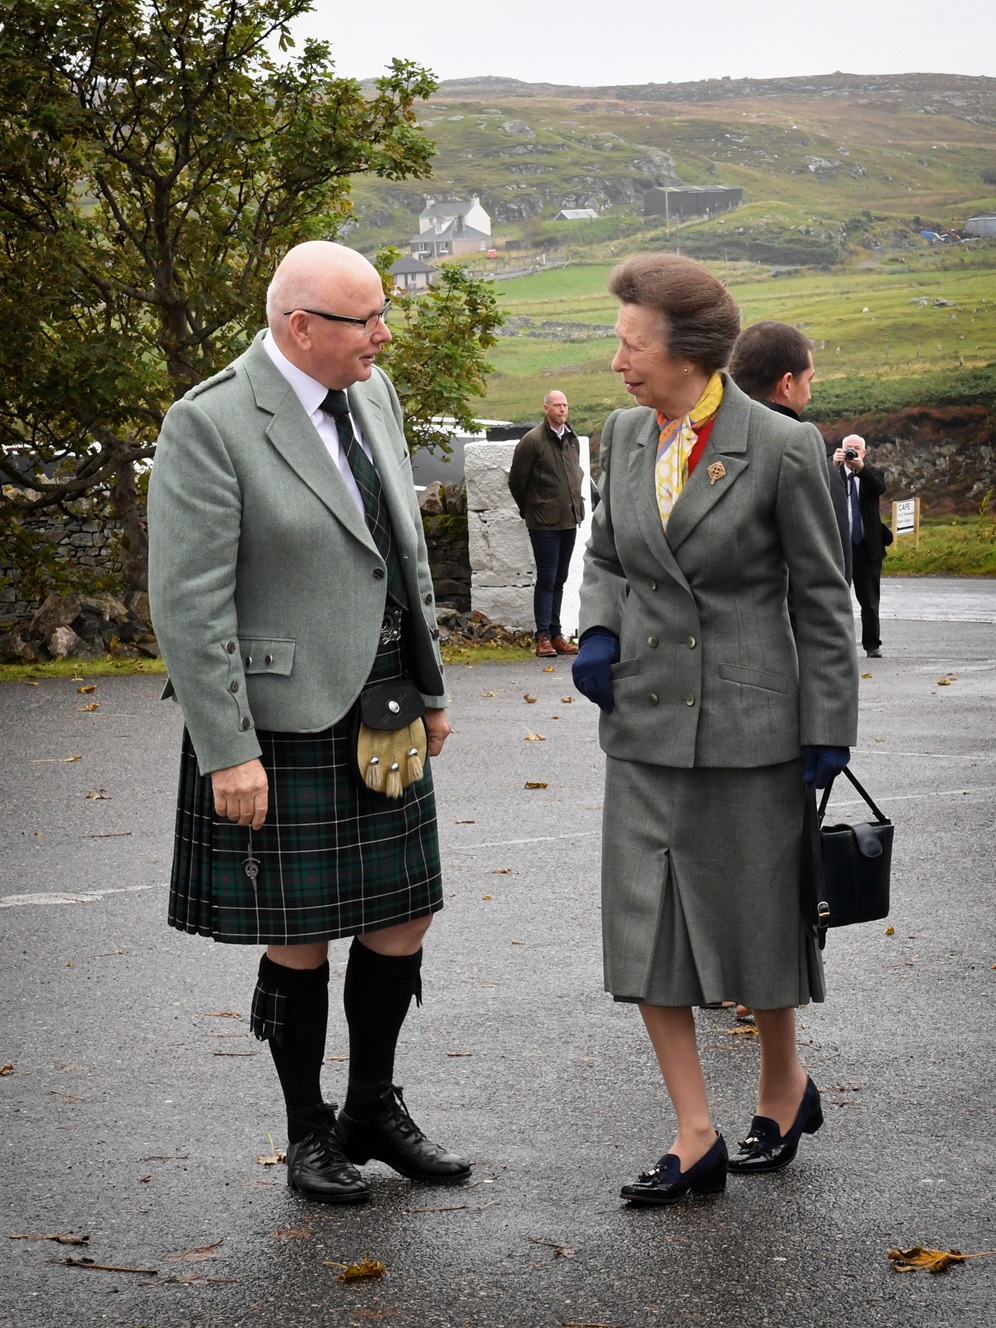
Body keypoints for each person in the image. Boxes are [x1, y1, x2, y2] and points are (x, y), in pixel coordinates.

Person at [147, 241, 469, 1207]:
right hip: (280, 715)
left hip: (383, 699)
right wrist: (227, 749)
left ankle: (372, 1105)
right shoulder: (209, 422)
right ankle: (307, 1134)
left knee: (404, 912)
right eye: (365, 319)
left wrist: (432, 683)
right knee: (301, 932)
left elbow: (401, 554)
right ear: (301, 329)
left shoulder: (375, 393)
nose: (382, 333)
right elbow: (189, 603)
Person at [572, 253, 858, 1206]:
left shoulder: (780, 447)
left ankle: (783, 1083)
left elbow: (823, 598)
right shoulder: (618, 436)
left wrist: (830, 725)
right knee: (646, 925)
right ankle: (695, 1132)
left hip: (752, 724)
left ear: (687, 351)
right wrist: (601, 625)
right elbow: (607, 551)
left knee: (760, 923)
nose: (617, 362)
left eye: (630, 344)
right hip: (644, 723)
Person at [729, 320, 851, 584]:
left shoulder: (703, 448)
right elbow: (830, 575)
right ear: (786, 385)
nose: (809, 395)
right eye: (808, 380)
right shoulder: (803, 459)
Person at [508, 390, 584, 657]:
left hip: (569, 519)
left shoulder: (571, 438)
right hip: (543, 523)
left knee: (560, 579)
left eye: (565, 404)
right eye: (557, 405)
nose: (562, 409)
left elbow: (575, 474)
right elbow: (517, 481)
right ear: (546, 408)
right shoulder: (533, 441)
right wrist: (531, 509)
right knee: (547, 578)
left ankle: (556, 634)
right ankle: (542, 637)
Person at [833, 433, 888, 658]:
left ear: (864, 452)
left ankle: (872, 644)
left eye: (856, 449)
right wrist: (832, 466)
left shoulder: (873, 474)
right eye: (848, 448)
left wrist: (861, 469)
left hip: (867, 547)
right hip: (840, 546)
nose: (851, 453)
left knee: (870, 600)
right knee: (836, 599)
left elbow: (878, 488)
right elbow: (816, 486)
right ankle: (838, 645)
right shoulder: (833, 474)